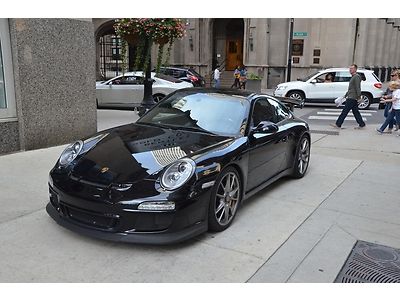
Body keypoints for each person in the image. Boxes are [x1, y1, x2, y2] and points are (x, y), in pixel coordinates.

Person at [330, 64, 366, 129]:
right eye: (350, 69)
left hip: (352, 97)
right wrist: (345, 95)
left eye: (352, 68)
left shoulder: (356, 77)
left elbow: (358, 87)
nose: (350, 70)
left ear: (355, 69)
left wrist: (359, 97)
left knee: (345, 111)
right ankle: (361, 124)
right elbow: (351, 88)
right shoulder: (353, 77)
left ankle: (338, 124)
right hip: (351, 96)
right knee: (355, 112)